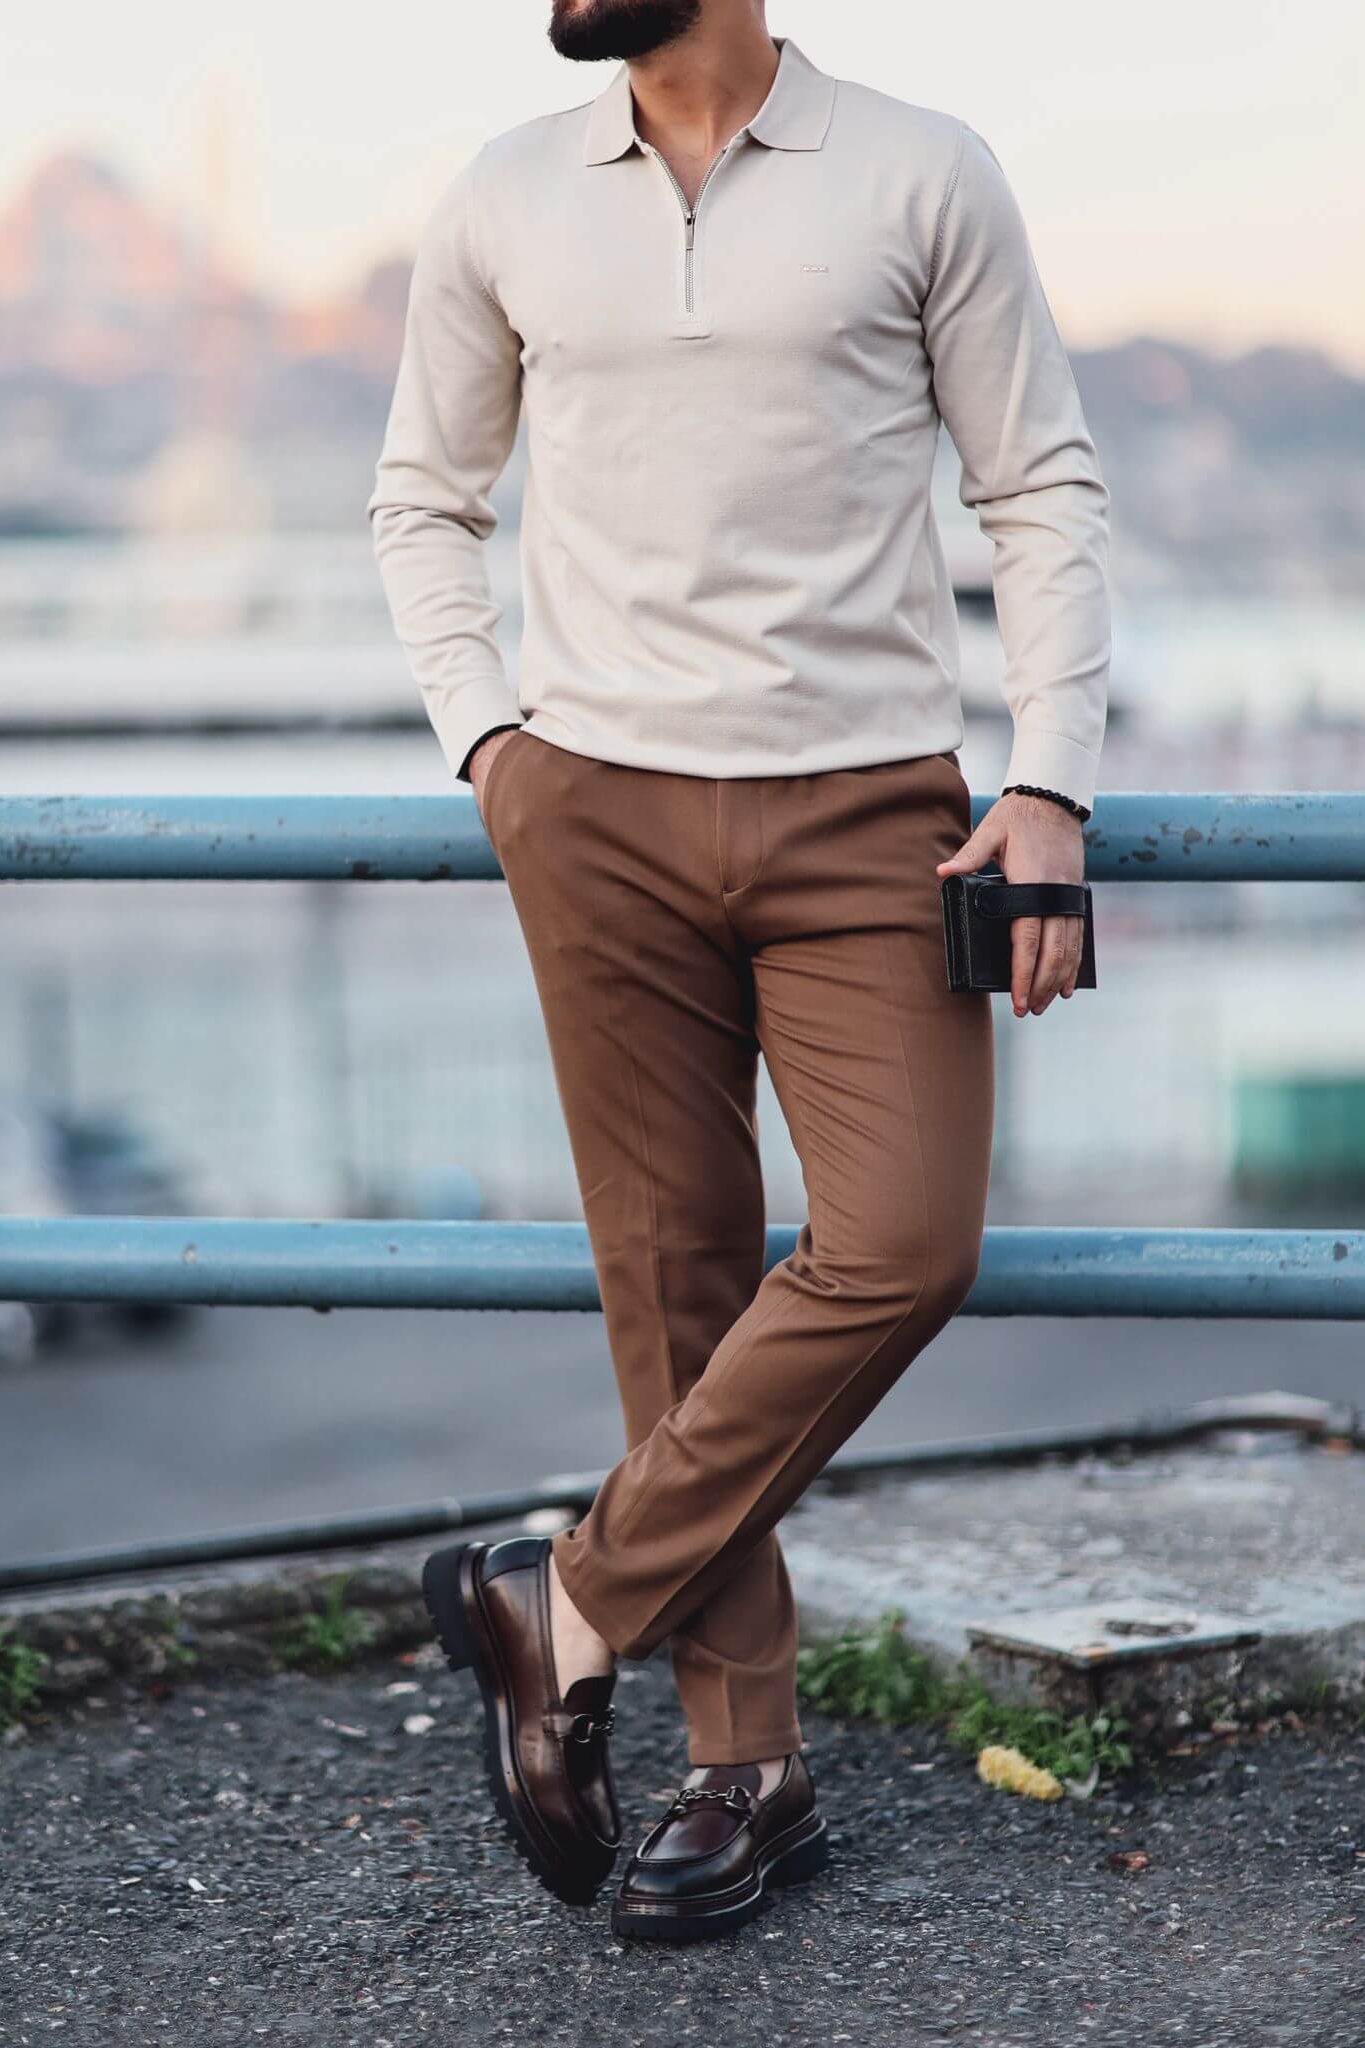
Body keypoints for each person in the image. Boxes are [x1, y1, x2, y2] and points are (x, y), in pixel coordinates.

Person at [369, 0, 1108, 1943]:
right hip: (590, 807)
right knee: (676, 1274)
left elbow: (1035, 486)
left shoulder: (920, 172)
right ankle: (742, 1767)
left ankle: (569, 1600)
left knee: (902, 1235)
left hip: (869, 812)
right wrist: (492, 749)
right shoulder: (505, 196)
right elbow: (419, 500)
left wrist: (1044, 779)